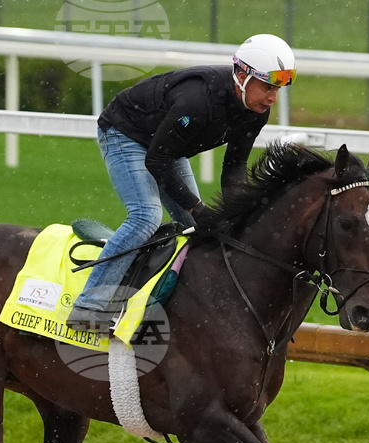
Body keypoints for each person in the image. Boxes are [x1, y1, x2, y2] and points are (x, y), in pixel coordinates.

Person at [67, 33, 297, 332]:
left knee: (203, 228)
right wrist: (196, 206)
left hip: (168, 146)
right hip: (126, 134)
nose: (272, 98)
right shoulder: (196, 102)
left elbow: (234, 166)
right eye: (268, 87)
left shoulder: (256, 112)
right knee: (145, 217)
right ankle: (89, 305)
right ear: (241, 76)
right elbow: (157, 161)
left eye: (277, 89)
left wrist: (235, 215)